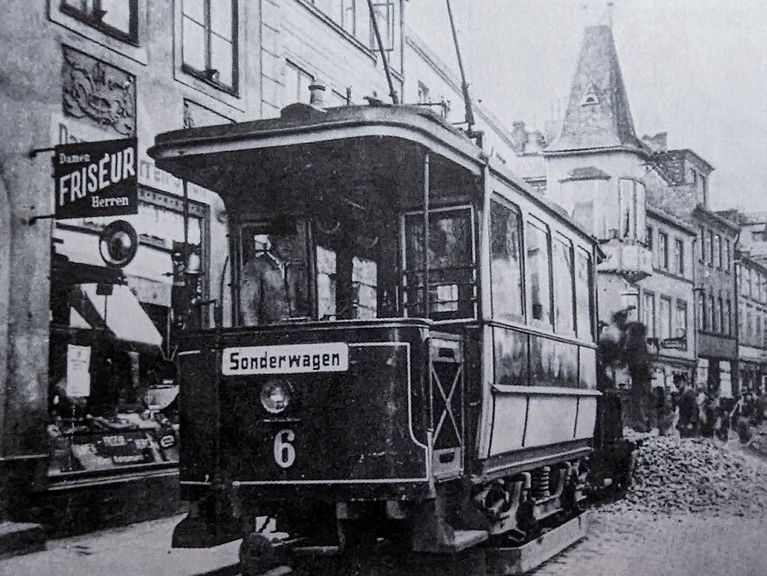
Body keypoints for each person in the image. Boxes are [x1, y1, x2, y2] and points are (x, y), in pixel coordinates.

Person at [240, 235, 292, 326]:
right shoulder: (256, 266)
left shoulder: (291, 268)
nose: (287, 245)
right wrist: (254, 334)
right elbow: (248, 307)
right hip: (268, 333)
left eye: (291, 241)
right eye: (283, 240)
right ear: (272, 241)